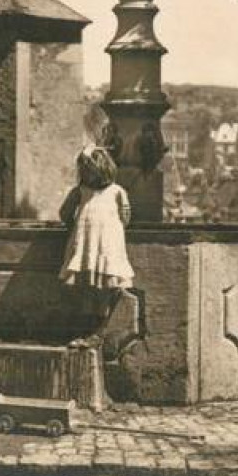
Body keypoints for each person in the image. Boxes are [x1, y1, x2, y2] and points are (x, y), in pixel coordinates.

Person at [59, 145, 134, 349]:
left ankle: (96, 333)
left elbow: (125, 216)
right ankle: (87, 331)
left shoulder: (117, 192)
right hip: (86, 247)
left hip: (106, 247)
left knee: (102, 292)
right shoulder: (80, 192)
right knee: (87, 291)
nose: (87, 174)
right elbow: (65, 213)